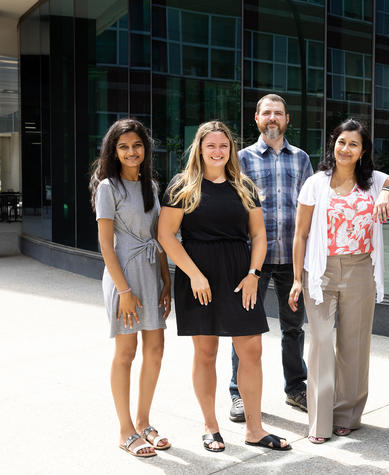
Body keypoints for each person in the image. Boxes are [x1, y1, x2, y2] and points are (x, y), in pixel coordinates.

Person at [158, 120, 291, 452]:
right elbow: (165, 235)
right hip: (198, 276)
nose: (217, 152)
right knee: (206, 353)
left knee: (252, 351)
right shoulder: (183, 186)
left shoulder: (244, 185)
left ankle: (255, 429)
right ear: (199, 149)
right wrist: (193, 274)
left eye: (223, 146)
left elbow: (259, 235)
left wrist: (254, 274)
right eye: (210, 146)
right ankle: (210, 426)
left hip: (238, 276)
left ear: (230, 150)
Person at [289, 118, 389, 444]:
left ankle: (347, 415)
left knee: (354, 345)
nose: (346, 149)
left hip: (361, 270)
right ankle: (320, 423)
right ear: (334, 144)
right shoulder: (315, 183)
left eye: (353, 144)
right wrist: (296, 279)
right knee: (319, 344)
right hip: (320, 272)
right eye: (341, 142)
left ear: (362, 151)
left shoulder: (373, 181)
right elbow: (301, 234)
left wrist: (385, 193)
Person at [229, 94, 314, 423]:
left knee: (293, 328)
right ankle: (238, 392)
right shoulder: (242, 159)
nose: (273, 118)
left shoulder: (302, 159)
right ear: (257, 118)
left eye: (278, 113)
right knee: (245, 327)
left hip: (291, 260)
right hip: (254, 262)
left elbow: (309, 209)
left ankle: (295, 387)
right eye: (267, 113)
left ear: (287, 119)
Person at [90, 118, 172, 457]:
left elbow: (157, 237)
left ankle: (143, 421)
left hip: (152, 273)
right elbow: (106, 245)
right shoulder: (107, 187)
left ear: (145, 148)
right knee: (126, 353)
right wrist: (124, 291)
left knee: (155, 350)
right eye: (123, 146)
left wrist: (167, 281)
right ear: (113, 150)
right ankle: (125, 430)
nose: (131, 151)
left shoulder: (150, 187)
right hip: (123, 277)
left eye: (136, 145)